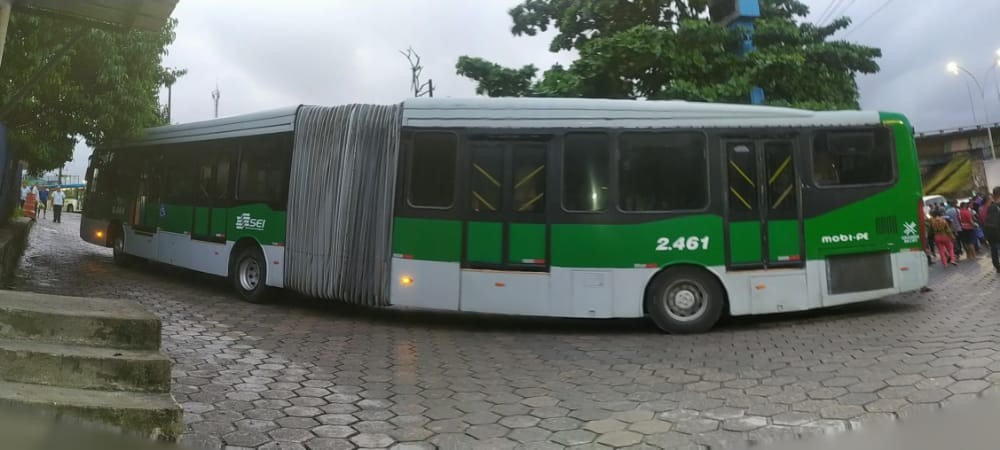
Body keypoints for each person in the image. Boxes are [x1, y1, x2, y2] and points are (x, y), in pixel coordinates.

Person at [982, 187, 1000, 273]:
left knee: (994, 251)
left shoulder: (988, 207)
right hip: (997, 234)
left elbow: (983, 221)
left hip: (991, 235)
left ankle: (997, 266)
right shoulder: (994, 207)